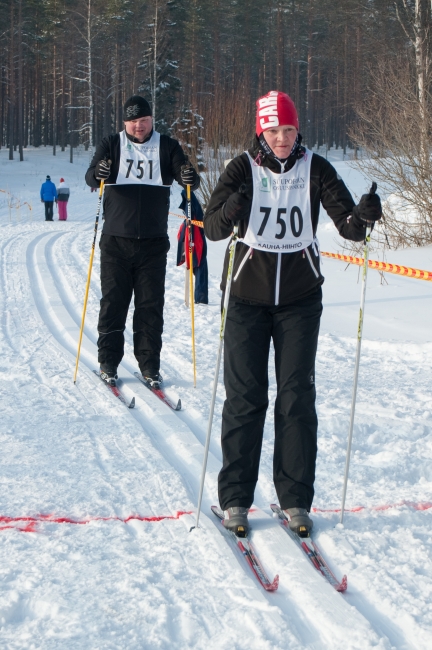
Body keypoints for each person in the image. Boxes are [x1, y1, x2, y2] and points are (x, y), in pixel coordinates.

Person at [204, 90, 382, 537]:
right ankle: (235, 500)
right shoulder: (242, 168)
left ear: (297, 129)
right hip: (246, 298)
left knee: (296, 398)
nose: (281, 138)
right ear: (260, 130)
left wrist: (363, 215)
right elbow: (211, 228)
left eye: (288, 129)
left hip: (300, 300)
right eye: (272, 130)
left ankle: (296, 499)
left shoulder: (315, 167)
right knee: (246, 399)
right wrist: (230, 208)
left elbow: (349, 227)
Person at [85, 95, 200, 387]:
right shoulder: (111, 144)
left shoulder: (167, 146)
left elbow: (189, 178)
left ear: (152, 119)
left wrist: (189, 176)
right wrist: (97, 173)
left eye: (144, 120)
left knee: (150, 307)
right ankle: (108, 362)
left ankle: (150, 366)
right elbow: (90, 177)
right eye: (134, 121)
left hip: (152, 243)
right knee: (113, 304)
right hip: (116, 241)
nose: (139, 125)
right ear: (125, 123)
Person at [176, 190, 208, 304]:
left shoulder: (196, 215)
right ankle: (200, 298)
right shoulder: (190, 218)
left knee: (201, 267)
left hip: (198, 240)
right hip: (195, 242)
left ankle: (201, 298)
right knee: (200, 267)